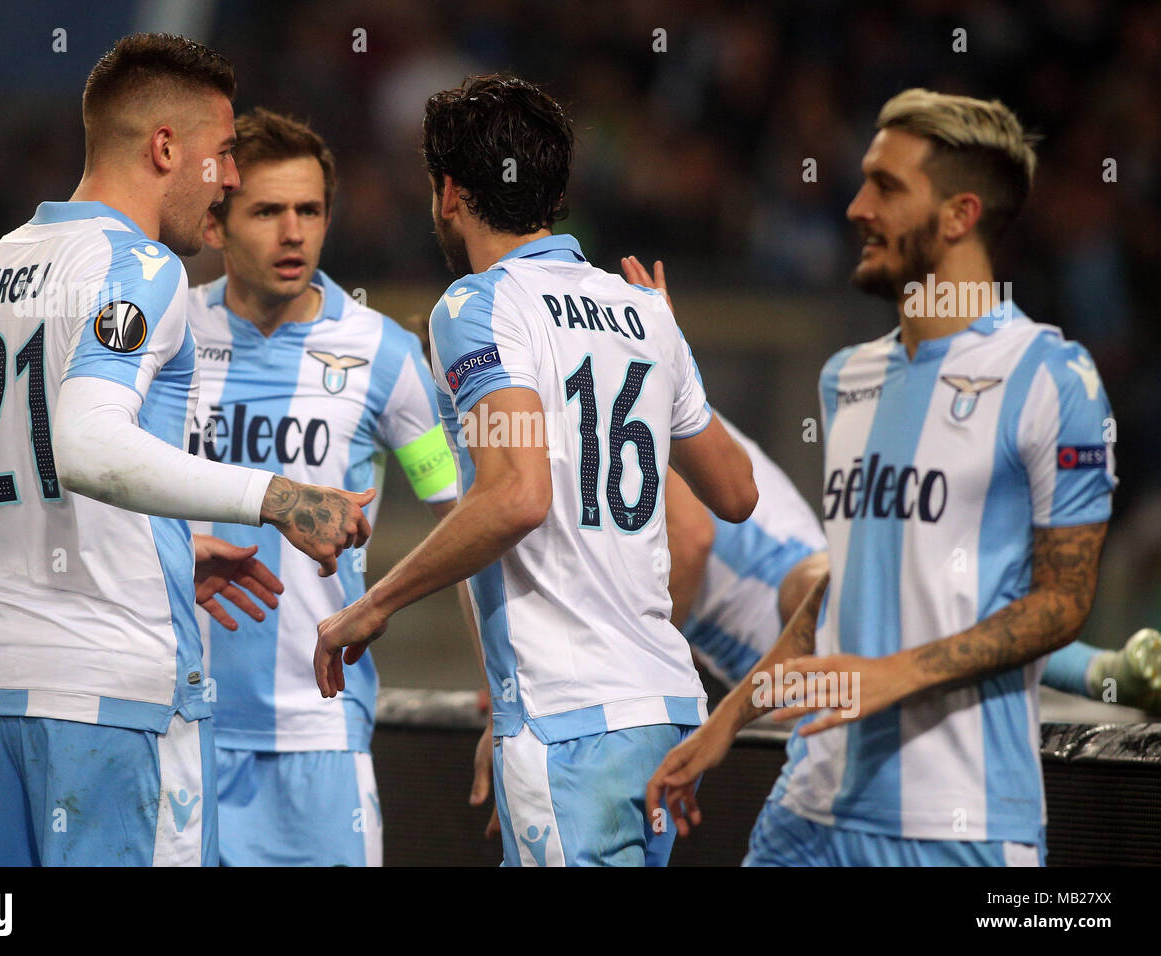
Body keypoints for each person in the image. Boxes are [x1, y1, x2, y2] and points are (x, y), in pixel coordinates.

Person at [647, 89, 1116, 866]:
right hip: (811, 809)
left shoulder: (1051, 377)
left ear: (961, 215)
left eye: (887, 187)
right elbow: (841, 592)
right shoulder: (846, 379)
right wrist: (725, 724)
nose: (858, 207)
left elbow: (1062, 600)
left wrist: (895, 675)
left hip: (955, 824)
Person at [0, 34, 372, 867]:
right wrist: (279, 496)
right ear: (165, 148)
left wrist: (163, 542)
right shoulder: (141, 267)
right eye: (221, 157)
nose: (234, 178)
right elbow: (89, 444)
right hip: (113, 700)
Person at [314, 73, 757, 867]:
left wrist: (371, 605)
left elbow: (515, 498)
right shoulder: (644, 312)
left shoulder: (475, 305)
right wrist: (669, 346)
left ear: (449, 192)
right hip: (665, 706)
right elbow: (736, 493)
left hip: (568, 721)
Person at [186, 107, 467, 865]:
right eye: (267, 211)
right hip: (176, 725)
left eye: (309, 210)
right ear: (217, 222)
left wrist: (510, 696)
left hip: (317, 737)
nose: (293, 233)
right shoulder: (167, 338)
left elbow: (466, 519)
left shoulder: (385, 354)